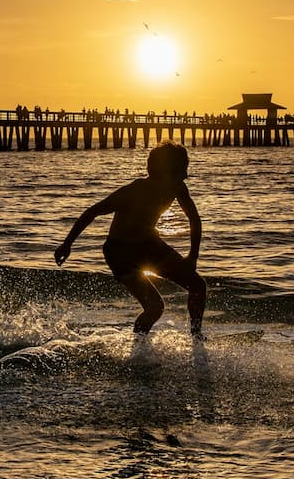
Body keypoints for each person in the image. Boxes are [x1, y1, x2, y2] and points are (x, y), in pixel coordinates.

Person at [55, 141, 206, 337]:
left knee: (197, 285)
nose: (186, 175)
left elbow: (194, 219)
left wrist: (193, 255)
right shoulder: (133, 192)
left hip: (149, 245)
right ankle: (139, 348)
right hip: (120, 252)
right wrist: (67, 245)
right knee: (154, 307)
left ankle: (196, 337)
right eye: (182, 170)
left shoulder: (177, 187)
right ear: (166, 172)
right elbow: (92, 212)